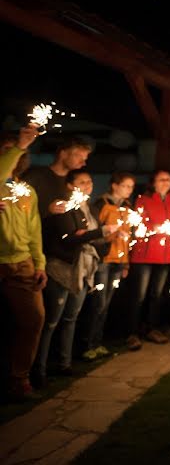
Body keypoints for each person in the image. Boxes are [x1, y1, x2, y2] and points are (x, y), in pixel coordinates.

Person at [34, 169, 115, 388]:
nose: (88, 185)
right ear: (70, 185)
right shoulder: (64, 206)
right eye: (82, 182)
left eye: (90, 181)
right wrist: (100, 232)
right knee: (51, 321)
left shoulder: (85, 209)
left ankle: (64, 363)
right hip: (61, 268)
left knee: (71, 318)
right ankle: (39, 369)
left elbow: (83, 235)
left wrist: (97, 236)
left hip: (80, 269)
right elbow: (69, 239)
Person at [0, 128, 47, 400]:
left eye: (17, 151)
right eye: (7, 150)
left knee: (35, 319)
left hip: (22, 264)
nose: (14, 154)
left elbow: (34, 229)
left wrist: (39, 264)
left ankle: (19, 379)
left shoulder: (26, 191)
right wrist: (20, 144)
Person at [82, 172, 135, 361]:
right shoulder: (102, 205)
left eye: (131, 187)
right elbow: (95, 233)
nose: (129, 190)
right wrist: (109, 237)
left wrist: (126, 261)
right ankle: (88, 344)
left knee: (105, 304)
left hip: (119, 261)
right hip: (104, 258)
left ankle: (98, 342)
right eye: (126, 186)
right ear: (114, 185)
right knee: (98, 303)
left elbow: (129, 236)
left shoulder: (128, 207)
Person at [127, 169, 170, 349]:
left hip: (165, 256)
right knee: (139, 296)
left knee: (156, 295)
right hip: (145, 255)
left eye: (168, 180)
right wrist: (154, 227)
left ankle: (151, 328)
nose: (165, 182)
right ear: (153, 182)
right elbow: (138, 222)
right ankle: (133, 332)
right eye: (161, 179)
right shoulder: (144, 199)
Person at [22, 136, 91, 218]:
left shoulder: (72, 181)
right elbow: (19, 206)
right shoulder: (36, 176)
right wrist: (47, 209)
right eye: (79, 156)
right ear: (63, 154)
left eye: (84, 159)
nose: (83, 163)